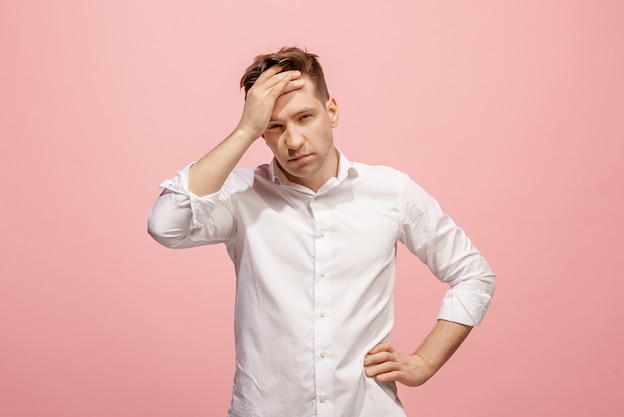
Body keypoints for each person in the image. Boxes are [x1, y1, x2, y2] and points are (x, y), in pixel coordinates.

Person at [147, 46, 495, 417]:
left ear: (331, 111)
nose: (293, 141)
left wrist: (426, 361)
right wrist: (246, 128)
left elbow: (474, 275)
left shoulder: (391, 191)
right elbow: (165, 225)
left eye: (304, 117)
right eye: (274, 126)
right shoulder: (240, 196)